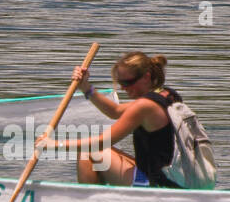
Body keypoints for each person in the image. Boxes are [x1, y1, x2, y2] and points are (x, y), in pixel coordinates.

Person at [46, 52, 186, 188]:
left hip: (157, 183)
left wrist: (54, 145)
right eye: (120, 83)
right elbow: (115, 111)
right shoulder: (168, 95)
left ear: (146, 77)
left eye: (128, 82)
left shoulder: (144, 106)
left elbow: (102, 142)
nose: (123, 88)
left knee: (87, 151)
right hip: (173, 176)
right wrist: (85, 87)